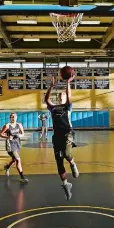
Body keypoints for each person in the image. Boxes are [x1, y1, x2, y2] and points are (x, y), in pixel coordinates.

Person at [45, 66, 79, 200]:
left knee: (66, 153)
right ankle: (66, 185)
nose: (61, 95)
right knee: (59, 162)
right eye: (59, 95)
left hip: (68, 133)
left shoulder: (68, 107)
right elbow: (46, 100)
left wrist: (68, 82)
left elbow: (69, 95)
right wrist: (51, 86)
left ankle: (72, 163)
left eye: (63, 94)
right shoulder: (53, 108)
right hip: (57, 136)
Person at [0, 113, 28, 183]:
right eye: (11, 117)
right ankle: (22, 177)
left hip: (17, 144)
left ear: (16, 117)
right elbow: (0, 134)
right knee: (18, 159)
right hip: (10, 145)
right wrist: (8, 137)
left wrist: (19, 135)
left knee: (14, 159)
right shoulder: (7, 126)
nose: (13, 118)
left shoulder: (19, 125)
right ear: (10, 118)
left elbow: (23, 133)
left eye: (14, 117)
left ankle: (7, 166)